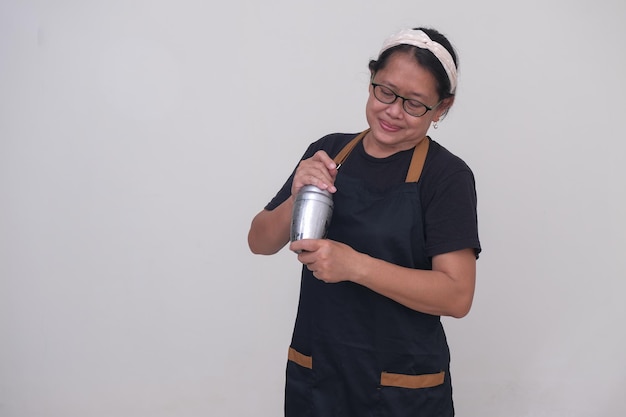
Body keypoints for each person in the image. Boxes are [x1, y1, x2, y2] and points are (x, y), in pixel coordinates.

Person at [248, 27, 481, 417]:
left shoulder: (446, 176)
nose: (392, 111)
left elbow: (457, 297)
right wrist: (298, 194)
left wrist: (355, 266)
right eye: (385, 91)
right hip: (318, 371)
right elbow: (260, 241)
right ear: (371, 79)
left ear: (442, 108)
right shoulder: (331, 151)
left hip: (402, 386)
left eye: (414, 104)